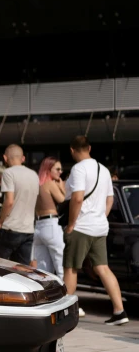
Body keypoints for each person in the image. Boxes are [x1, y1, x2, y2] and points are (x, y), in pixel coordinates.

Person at [64, 136, 127, 325]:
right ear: (89, 148)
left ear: (72, 150)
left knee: (71, 268)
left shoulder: (78, 169)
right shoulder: (104, 170)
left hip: (81, 226)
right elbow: (110, 200)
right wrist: (100, 216)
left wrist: (71, 224)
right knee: (103, 268)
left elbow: (77, 198)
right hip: (100, 227)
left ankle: (63, 312)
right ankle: (119, 311)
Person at [0, 145, 39, 265]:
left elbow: (9, 201)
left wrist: (0, 220)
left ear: (5, 158)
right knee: (21, 271)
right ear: (23, 158)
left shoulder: (8, 173)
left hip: (10, 228)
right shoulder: (34, 175)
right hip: (28, 229)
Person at [33, 157, 65, 277]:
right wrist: (62, 188)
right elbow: (63, 201)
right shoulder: (50, 184)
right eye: (57, 169)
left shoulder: (37, 185)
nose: (60, 172)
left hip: (39, 226)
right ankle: (64, 294)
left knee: (43, 269)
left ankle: (45, 295)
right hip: (51, 224)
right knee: (61, 265)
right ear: (48, 169)